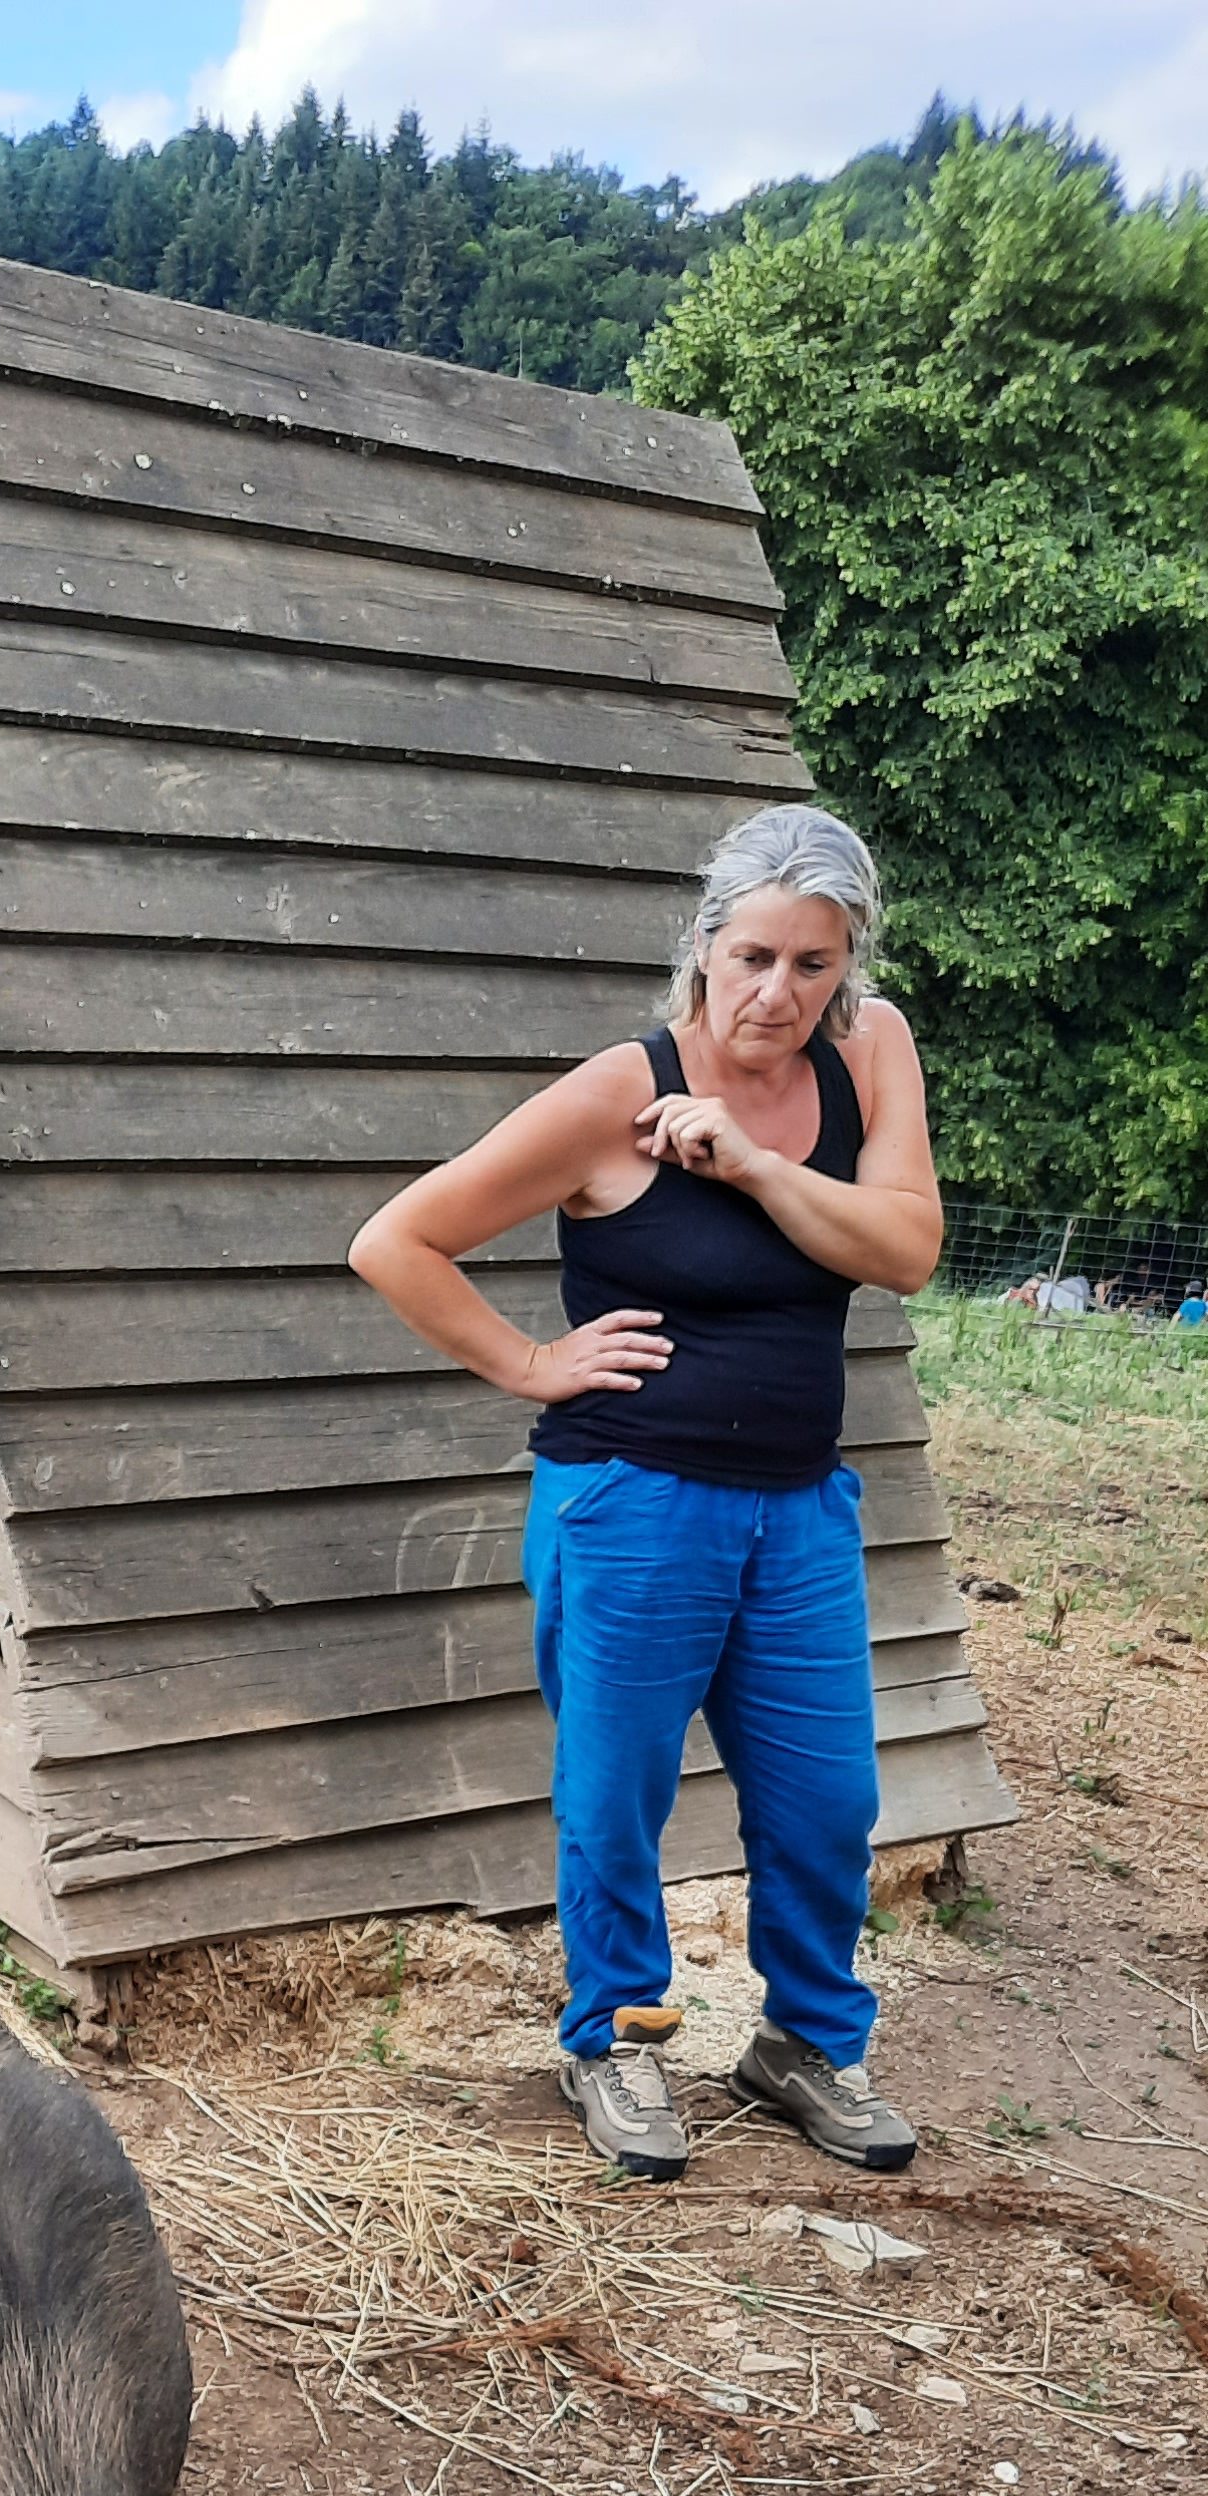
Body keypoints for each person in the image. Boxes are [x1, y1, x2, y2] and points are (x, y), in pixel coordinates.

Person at [349, 805, 943, 2183]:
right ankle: (610, 2038)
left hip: (798, 1507)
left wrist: (753, 1164)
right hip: (631, 1500)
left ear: (847, 962)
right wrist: (533, 1361)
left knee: (826, 1800)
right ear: (702, 948)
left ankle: (804, 2042)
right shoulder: (617, 1091)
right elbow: (399, 1240)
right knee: (614, 1795)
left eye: (811, 963)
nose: (776, 994)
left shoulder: (872, 1053)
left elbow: (906, 1248)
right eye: (750, 957)